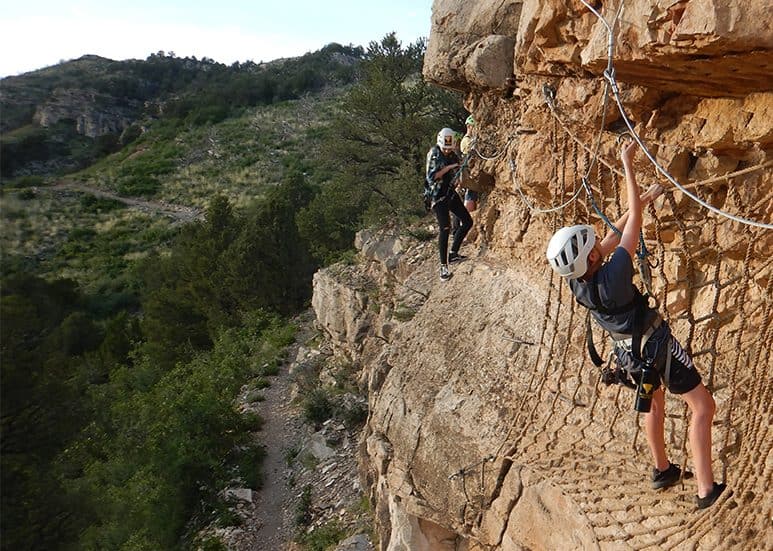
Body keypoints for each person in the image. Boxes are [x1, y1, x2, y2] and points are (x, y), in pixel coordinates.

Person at [545, 140, 726, 510]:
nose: (597, 242)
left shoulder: (579, 281)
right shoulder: (615, 276)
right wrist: (627, 163)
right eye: (591, 245)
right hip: (657, 347)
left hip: (628, 353)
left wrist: (641, 200)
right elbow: (630, 233)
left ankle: (662, 470)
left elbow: (613, 236)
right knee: (702, 408)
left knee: (654, 403)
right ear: (591, 257)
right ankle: (707, 490)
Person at [426, 127, 473, 281]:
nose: (447, 151)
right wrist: (449, 168)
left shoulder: (452, 154)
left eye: (449, 148)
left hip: (450, 193)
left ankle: (453, 253)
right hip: (437, 196)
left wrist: (458, 174)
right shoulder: (434, 153)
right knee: (445, 228)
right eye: (445, 148)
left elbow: (458, 169)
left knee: (467, 221)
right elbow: (432, 177)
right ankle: (443, 267)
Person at [459, 115, 479, 213]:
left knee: (472, 191)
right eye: (473, 126)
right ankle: (468, 213)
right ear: (469, 126)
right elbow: (470, 154)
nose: (475, 129)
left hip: (470, 171)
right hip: (468, 172)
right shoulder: (466, 140)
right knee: (471, 191)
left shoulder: (470, 139)